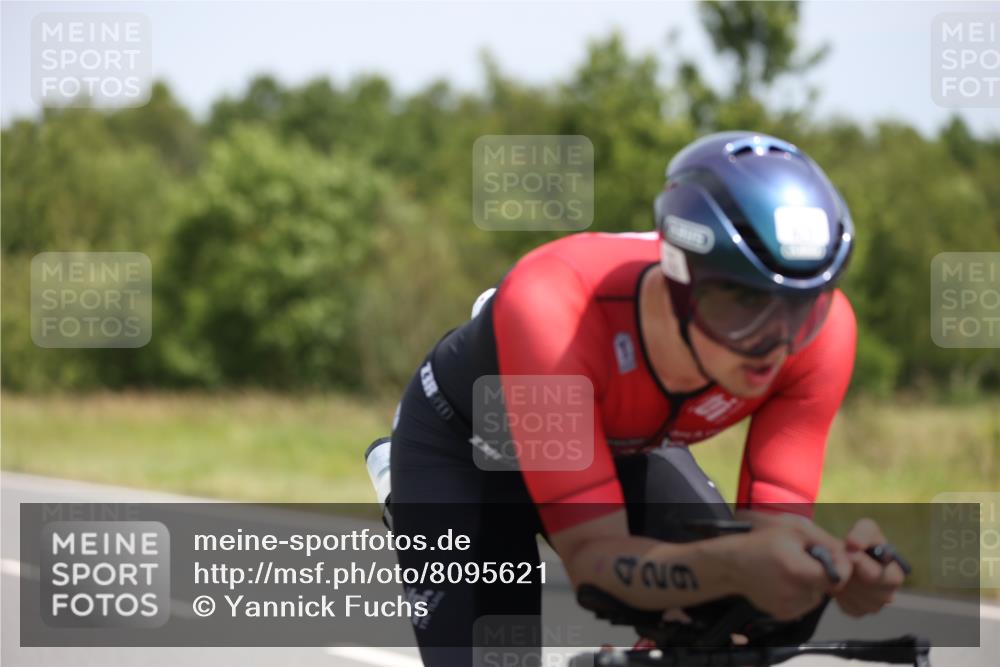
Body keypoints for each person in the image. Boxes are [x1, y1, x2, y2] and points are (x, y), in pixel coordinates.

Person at [385, 131, 906, 666]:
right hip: (468, 454)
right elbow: (593, 562)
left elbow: (770, 545)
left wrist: (830, 569)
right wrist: (733, 564)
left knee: (737, 629)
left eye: (800, 308)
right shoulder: (552, 311)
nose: (773, 344)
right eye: (741, 305)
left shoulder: (824, 335)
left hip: (620, 443)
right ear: (679, 277)